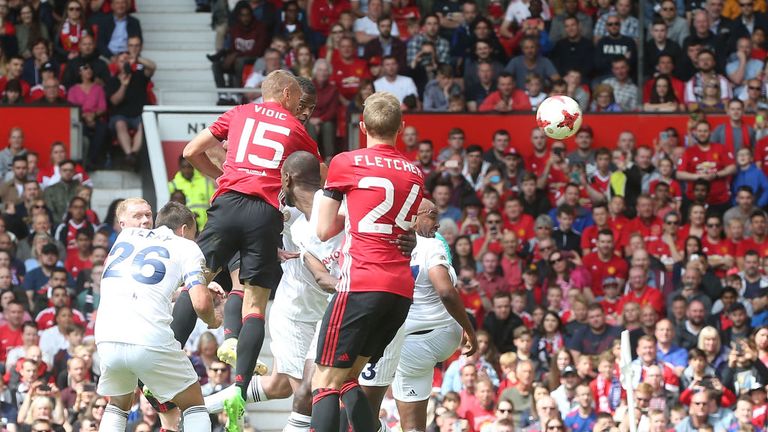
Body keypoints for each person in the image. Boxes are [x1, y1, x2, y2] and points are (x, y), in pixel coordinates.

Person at [181, 70, 322, 427]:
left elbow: (192, 150)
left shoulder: (241, 114)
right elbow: (317, 178)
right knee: (253, 303)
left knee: (197, 278)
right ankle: (238, 387)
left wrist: (224, 176)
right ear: (288, 94)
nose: (303, 110)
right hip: (266, 219)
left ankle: (172, 357)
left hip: (231, 204)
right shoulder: (296, 134)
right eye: (301, 102)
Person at [203, 151, 341, 432]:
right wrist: (268, 248)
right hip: (296, 312)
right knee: (310, 395)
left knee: (280, 386)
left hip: (324, 306)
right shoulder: (278, 205)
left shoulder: (334, 207)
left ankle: (205, 404)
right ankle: (196, 407)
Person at [310, 91, 424, 432]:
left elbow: (323, 229)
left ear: (362, 126)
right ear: (401, 128)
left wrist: (352, 213)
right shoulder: (415, 172)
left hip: (360, 283)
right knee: (348, 379)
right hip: (399, 291)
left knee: (324, 381)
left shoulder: (346, 162)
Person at [95, 200, 220, 432]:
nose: (144, 220)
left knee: (118, 404)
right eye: (194, 234)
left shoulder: (124, 238)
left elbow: (144, 287)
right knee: (194, 404)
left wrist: (181, 291)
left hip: (107, 338)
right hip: (148, 338)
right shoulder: (186, 246)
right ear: (185, 230)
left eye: (148, 215)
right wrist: (214, 319)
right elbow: (201, 304)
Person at [356, 199, 477, 432]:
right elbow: (446, 291)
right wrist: (470, 330)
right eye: (432, 215)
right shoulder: (431, 245)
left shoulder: (383, 245)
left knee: (364, 414)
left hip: (412, 343)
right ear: (412, 216)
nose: (437, 224)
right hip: (436, 338)